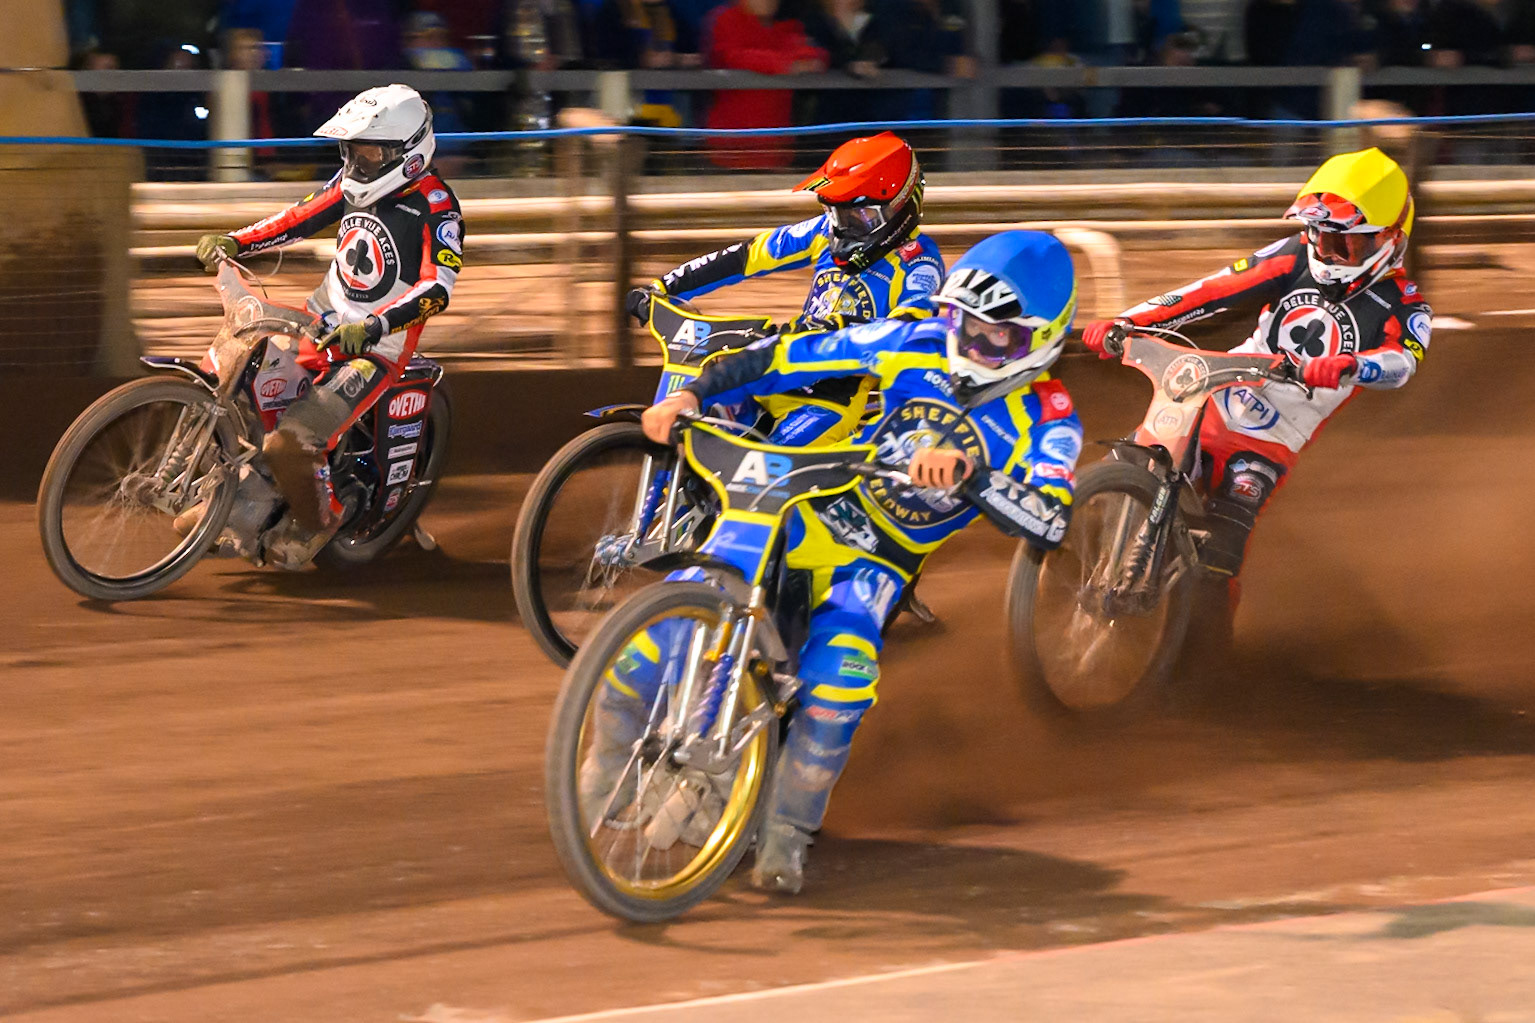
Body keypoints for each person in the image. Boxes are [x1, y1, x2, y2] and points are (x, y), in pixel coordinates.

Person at [625, 230, 1083, 893]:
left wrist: (974, 476)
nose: (968, 344)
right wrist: (692, 394)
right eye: (961, 322)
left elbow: (1050, 520)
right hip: (808, 505)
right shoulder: (914, 338)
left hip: (877, 564)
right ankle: (604, 763)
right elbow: (787, 355)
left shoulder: (1051, 420)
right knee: (683, 599)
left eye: (993, 337)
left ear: (1041, 341)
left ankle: (787, 833)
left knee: (838, 679)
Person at [1080, 147, 1429, 628]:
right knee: (1118, 472)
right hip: (1214, 395)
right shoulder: (1293, 254)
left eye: (1343, 243)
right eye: (1320, 235)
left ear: (1388, 239)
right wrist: (1128, 321)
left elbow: (1402, 362)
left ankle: (1207, 654)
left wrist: (1350, 365)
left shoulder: (1404, 303)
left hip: (1270, 440)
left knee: (1220, 552)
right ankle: (1057, 574)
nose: (1326, 251)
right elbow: (1212, 290)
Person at [193, 84, 463, 566]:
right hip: (315, 327)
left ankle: (320, 521)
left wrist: (375, 327)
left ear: (408, 153)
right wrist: (235, 242)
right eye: (353, 151)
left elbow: (437, 289)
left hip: (373, 351)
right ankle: (242, 495)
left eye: (371, 152)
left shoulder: (436, 207)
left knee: (290, 442)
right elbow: (296, 219)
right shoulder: (350, 183)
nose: (358, 162)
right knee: (240, 386)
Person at [627, 131, 944, 446]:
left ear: (900, 207)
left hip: (829, 399)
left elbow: (908, 331)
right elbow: (748, 256)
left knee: (765, 472)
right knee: (692, 426)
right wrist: (666, 286)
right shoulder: (825, 231)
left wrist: (832, 328)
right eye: (835, 213)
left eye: (859, 216)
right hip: (775, 369)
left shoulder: (919, 261)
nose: (843, 227)